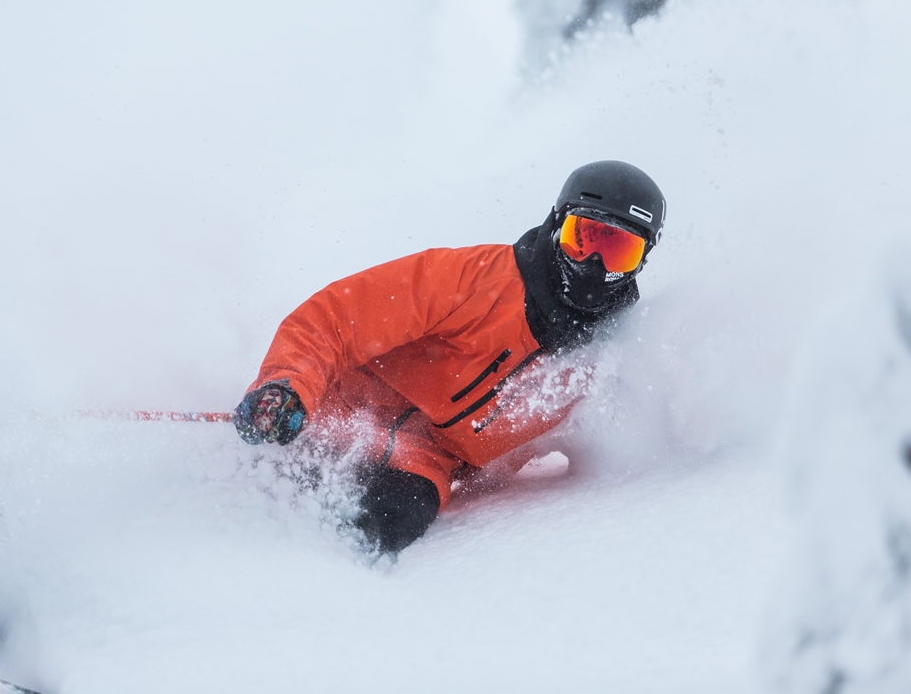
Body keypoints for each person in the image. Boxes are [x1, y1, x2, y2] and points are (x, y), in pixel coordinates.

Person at [232, 160, 666, 553]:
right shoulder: (474, 281)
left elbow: (627, 434)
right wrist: (288, 386)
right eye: (582, 238)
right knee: (257, 487)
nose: (592, 264)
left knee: (374, 535)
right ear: (555, 224)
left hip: (421, 466)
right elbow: (336, 318)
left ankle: (317, 602)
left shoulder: (608, 357)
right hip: (330, 409)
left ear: (643, 260)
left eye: (617, 252)